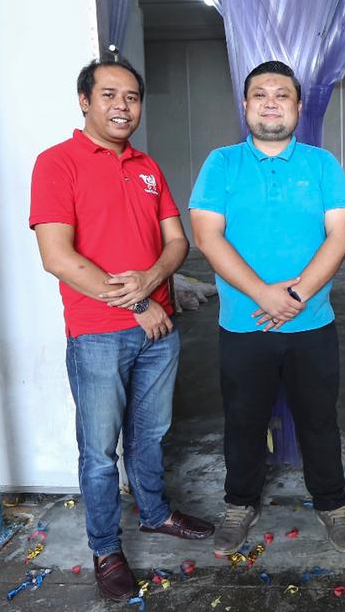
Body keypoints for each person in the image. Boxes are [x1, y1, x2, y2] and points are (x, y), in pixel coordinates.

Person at [30, 57, 213, 601]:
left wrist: (153, 282)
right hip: (98, 334)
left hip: (160, 329)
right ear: (84, 100)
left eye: (132, 97)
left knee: (151, 434)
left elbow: (176, 241)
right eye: (109, 94)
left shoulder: (147, 165)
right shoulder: (56, 163)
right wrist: (139, 303)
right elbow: (57, 257)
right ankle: (106, 548)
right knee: (99, 450)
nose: (122, 106)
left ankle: (154, 514)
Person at [189, 61, 345, 556]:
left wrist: (296, 297)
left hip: (312, 324)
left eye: (281, 94)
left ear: (298, 106)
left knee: (319, 421)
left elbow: (341, 234)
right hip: (243, 324)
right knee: (243, 420)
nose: (270, 102)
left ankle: (333, 506)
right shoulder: (222, 163)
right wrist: (263, 294)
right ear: (245, 105)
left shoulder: (321, 164)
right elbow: (207, 236)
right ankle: (239, 505)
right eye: (260, 94)